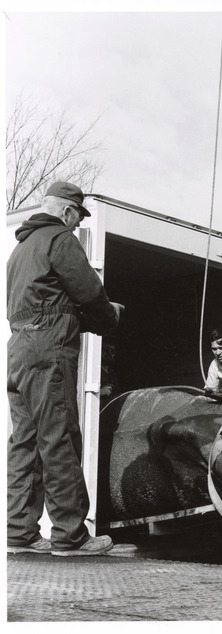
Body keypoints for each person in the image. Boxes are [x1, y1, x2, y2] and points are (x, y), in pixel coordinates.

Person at [7, 181, 125, 556]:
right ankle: (71, 535)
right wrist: (109, 318)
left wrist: (80, 319)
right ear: (68, 212)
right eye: (77, 219)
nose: (77, 226)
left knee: (25, 441)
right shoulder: (60, 239)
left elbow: (48, 305)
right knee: (59, 436)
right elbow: (89, 292)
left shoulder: (20, 249)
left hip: (18, 351)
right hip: (49, 351)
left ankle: (20, 532)